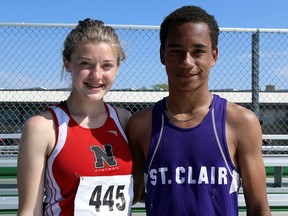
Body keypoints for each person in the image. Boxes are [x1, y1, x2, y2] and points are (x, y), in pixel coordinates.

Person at [127, 5, 271, 216]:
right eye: (176, 51)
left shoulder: (241, 122)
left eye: (198, 51)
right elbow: (132, 194)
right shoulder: (141, 124)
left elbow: (259, 208)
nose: (186, 62)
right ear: (162, 55)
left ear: (213, 56)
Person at [17, 18, 134, 216]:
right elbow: (29, 211)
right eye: (85, 64)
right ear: (67, 63)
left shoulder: (125, 120)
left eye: (106, 66)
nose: (96, 76)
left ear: (117, 68)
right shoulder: (44, 127)